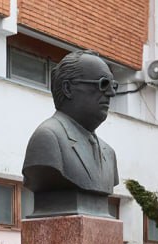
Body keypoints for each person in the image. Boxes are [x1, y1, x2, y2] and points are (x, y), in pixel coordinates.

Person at [22, 50, 119, 212]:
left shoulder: (109, 153)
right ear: (68, 88)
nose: (111, 93)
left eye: (113, 85)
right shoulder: (48, 138)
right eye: (103, 84)